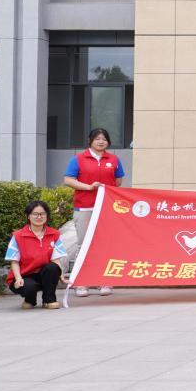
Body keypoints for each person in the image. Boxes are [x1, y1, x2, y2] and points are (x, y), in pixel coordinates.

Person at [62, 128, 124, 298]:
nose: (101, 141)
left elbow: (118, 181)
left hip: (106, 208)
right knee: (84, 245)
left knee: (105, 244)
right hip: (85, 208)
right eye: (97, 139)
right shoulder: (78, 158)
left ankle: (104, 280)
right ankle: (81, 282)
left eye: (104, 139)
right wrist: (88, 187)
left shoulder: (113, 159)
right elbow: (68, 180)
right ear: (90, 140)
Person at [4, 201, 65, 309]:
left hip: (43, 274)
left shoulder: (54, 234)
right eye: (35, 214)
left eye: (42, 214)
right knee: (29, 287)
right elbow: (14, 262)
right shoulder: (18, 236)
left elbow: (56, 260)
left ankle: (49, 300)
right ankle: (30, 300)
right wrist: (18, 278)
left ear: (47, 215)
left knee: (52, 267)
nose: (39, 217)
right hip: (24, 275)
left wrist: (61, 275)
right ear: (28, 216)